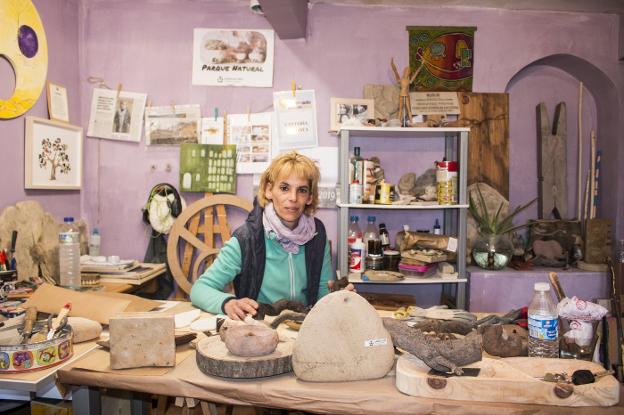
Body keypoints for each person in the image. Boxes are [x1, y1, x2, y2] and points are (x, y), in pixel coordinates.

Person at [191, 151, 353, 320]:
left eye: (302, 190)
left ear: (310, 197)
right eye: (284, 188)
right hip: (259, 328)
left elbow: (323, 295)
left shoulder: (317, 236)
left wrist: (338, 298)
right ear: (269, 190)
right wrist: (228, 303)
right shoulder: (246, 239)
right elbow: (200, 289)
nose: (293, 198)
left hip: (303, 327)